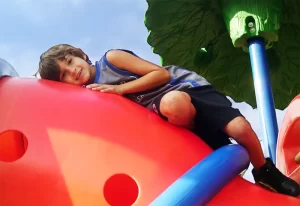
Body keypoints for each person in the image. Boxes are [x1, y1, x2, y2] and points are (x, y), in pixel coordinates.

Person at [37, 44, 300, 197]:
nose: (73, 71)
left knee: (239, 127)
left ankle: (265, 170)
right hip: (168, 114)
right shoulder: (90, 97)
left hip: (186, 88)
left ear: (80, 54)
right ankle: (210, 144)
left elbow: (160, 74)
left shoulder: (111, 60)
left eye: (70, 62)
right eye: (65, 75)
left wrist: (118, 90)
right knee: (172, 108)